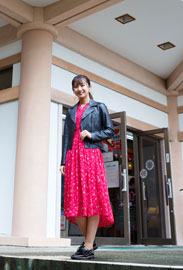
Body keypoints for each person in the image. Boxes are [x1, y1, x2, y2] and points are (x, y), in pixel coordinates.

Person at [60, 74, 115, 260]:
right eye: (75, 86)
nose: (79, 89)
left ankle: (88, 246)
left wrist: (91, 134)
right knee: (76, 200)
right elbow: (66, 137)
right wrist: (63, 161)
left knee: (92, 199)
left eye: (82, 85)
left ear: (89, 87)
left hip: (91, 155)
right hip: (73, 157)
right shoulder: (70, 111)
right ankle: (89, 241)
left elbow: (110, 131)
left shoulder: (99, 107)